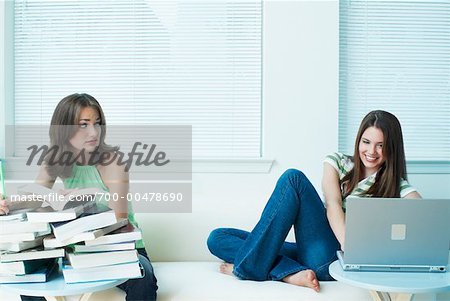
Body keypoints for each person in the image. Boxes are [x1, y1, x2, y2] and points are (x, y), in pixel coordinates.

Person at [206, 110, 421, 292]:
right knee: (217, 238)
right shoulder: (337, 162)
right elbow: (333, 203)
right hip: (315, 247)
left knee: (293, 179)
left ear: (392, 148)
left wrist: (353, 248)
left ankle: (249, 267)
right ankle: (288, 273)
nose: (371, 151)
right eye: (366, 142)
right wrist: (347, 241)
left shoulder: (398, 186)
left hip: (332, 261)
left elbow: (425, 217)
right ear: (359, 140)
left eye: (380, 145)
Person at [0, 93, 158, 301]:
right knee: (27, 274)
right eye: (84, 125)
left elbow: (119, 217)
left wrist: (84, 197)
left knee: (144, 279)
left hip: (120, 247)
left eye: (97, 123)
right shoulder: (56, 158)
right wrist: (9, 203)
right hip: (78, 249)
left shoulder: (112, 161)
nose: (94, 132)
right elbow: (37, 194)